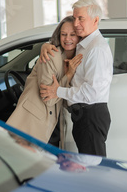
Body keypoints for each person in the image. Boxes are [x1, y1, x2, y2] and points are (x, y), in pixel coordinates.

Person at [39, 0, 113, 157]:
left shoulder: (96, 49)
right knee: (90, 166)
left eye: (81, 18)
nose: (76, 23)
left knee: (94, 167)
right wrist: (46, 45)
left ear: (95, 20)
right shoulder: (84, 45)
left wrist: (58, 91)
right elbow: (64, 41)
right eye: (75, 17)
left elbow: (90, 93)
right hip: (83, 115)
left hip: (90, 115)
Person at [6, 16, 82, 145]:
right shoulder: (51, 56)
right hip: (34, 120)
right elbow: (49, 98)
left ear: (79, 37)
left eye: (72, 35)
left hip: (56, 120)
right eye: (63, 34)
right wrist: (68, 75)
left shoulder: (80, 57)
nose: (67, 39)